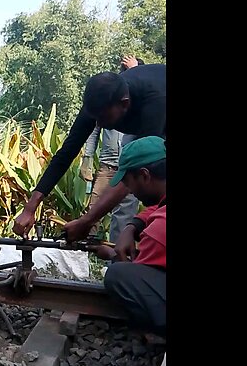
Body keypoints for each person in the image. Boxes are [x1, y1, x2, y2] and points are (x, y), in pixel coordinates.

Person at [12, 61, 165, 241]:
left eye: (103, 118)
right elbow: (66, 153)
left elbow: (138, 168)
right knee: (128, 184)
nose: (98, 124)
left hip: (161, 111)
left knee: (150, 183)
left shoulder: (155, 100)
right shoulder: (100, 103)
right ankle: (121, 255)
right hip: (143, 124)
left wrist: (86, 221)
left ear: (124, 104)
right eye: (95, 118)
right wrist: (30, 207)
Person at [91, 136, 166, 336]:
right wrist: (131, 227)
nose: (130, 190)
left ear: (144, 175)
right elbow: (157, 208)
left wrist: (113, 256)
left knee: (119, 275)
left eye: (128, 182)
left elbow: (136, 269)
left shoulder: (159, 230)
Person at [80, 126, 139, 246]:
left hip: (130, 168)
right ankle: (85, 253)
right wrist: (87, 157)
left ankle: (116, 258)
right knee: (94, 209)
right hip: (108, 166)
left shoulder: (140, 108)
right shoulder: (107, 109)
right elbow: (95, 128)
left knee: (124, 218)